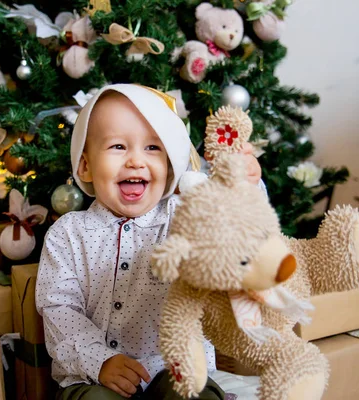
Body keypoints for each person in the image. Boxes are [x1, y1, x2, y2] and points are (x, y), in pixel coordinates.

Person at [36, 84, 262, 400]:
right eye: (117, 146)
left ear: (170, 166)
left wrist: (245, 187)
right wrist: (99, 361)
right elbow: (60, 309)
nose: (136, 161)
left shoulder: (184, 216)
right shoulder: (68, 234)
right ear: (85, 165)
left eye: (153, 148)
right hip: (93, 378)